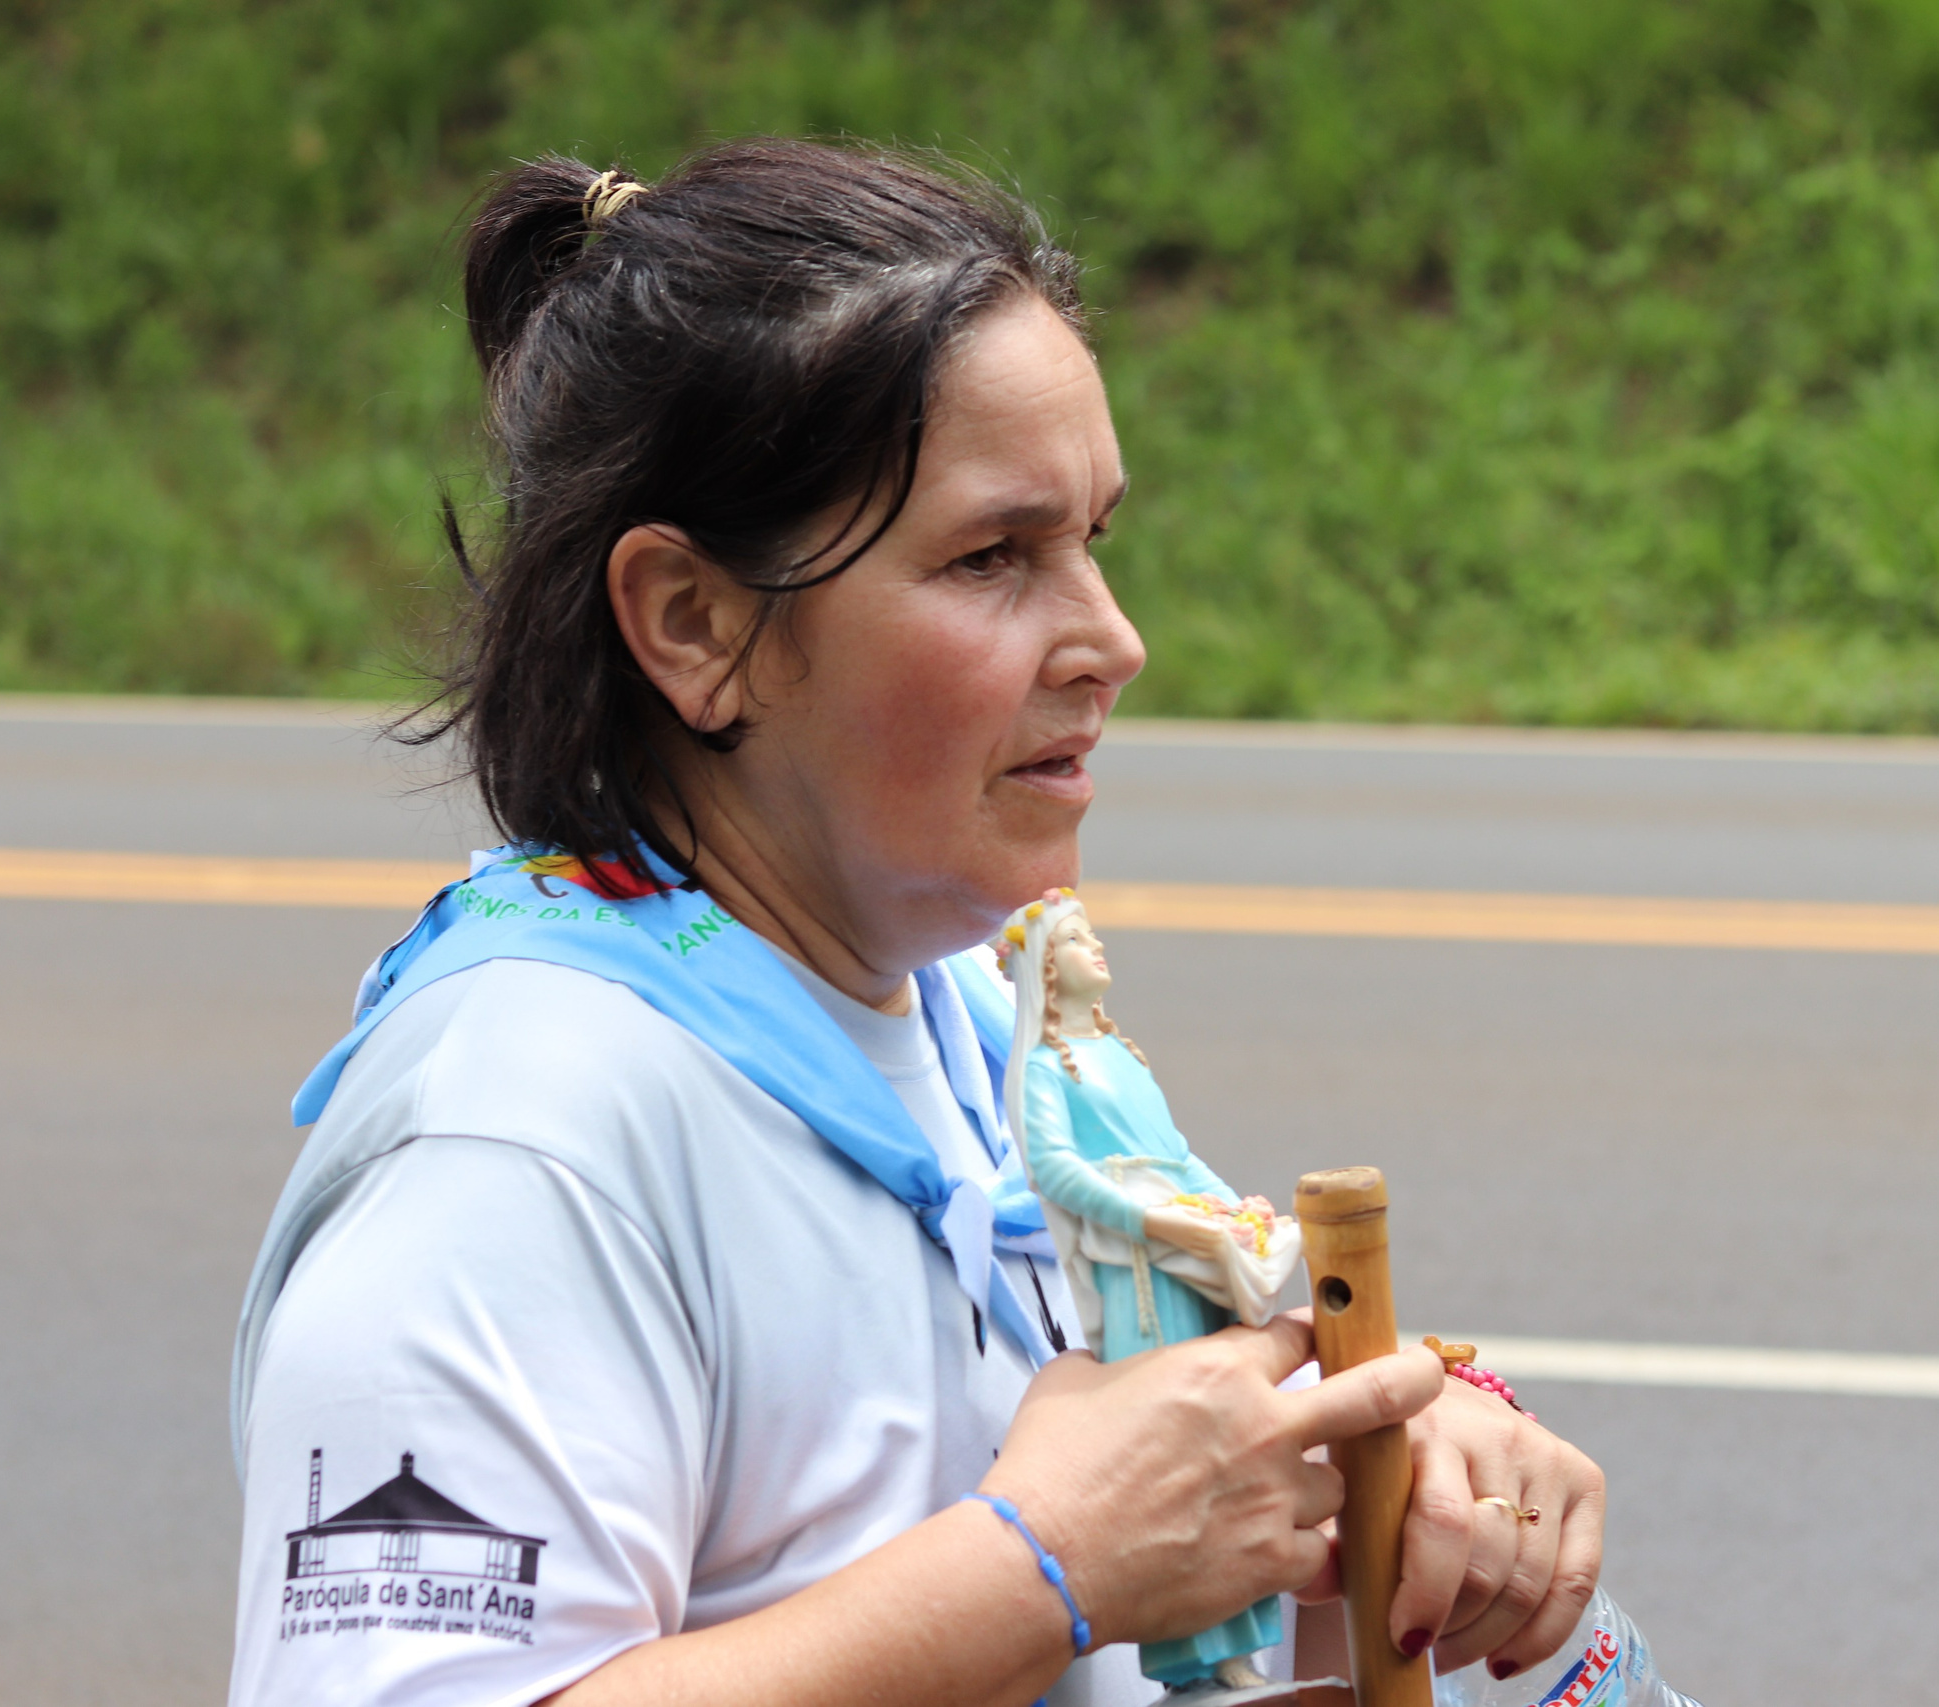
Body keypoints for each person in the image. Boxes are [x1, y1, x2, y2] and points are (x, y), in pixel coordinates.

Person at [227, 139, 1606, 1707]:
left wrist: (1419, 1457)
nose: (1112, 638)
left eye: (1095, 537)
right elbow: (1076, 1541)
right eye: (992, 556)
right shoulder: (517, 1144)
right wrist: (1044, 1559)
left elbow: (1175, 1531)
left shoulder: (956, 1003)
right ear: (696, 623)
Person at [999, 891, 1306, 1694]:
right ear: (1041, 967)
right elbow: (1056, 1171)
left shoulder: (1120, 1054)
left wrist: (1234, 1206)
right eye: (1074, 940)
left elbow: (1175, 1152)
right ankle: (1190, 1656)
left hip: (1187, 1239)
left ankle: (1244, 1639)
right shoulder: (1043, 1068)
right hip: (1137, 1261)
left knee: (1230, 1441)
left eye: (1092, 934)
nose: (1094, 948)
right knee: (1181, 1449)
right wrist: (1150, 1219)